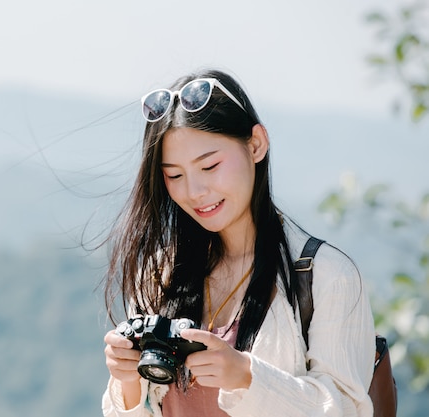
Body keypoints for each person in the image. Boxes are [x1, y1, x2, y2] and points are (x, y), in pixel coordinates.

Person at [101, 69, 375, 416]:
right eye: (174, 175)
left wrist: (246, 377)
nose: (194, 191)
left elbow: (347, 409)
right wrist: (126, 381)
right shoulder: (159, 274)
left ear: (256, 144)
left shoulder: (326, 276)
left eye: (210, 166)